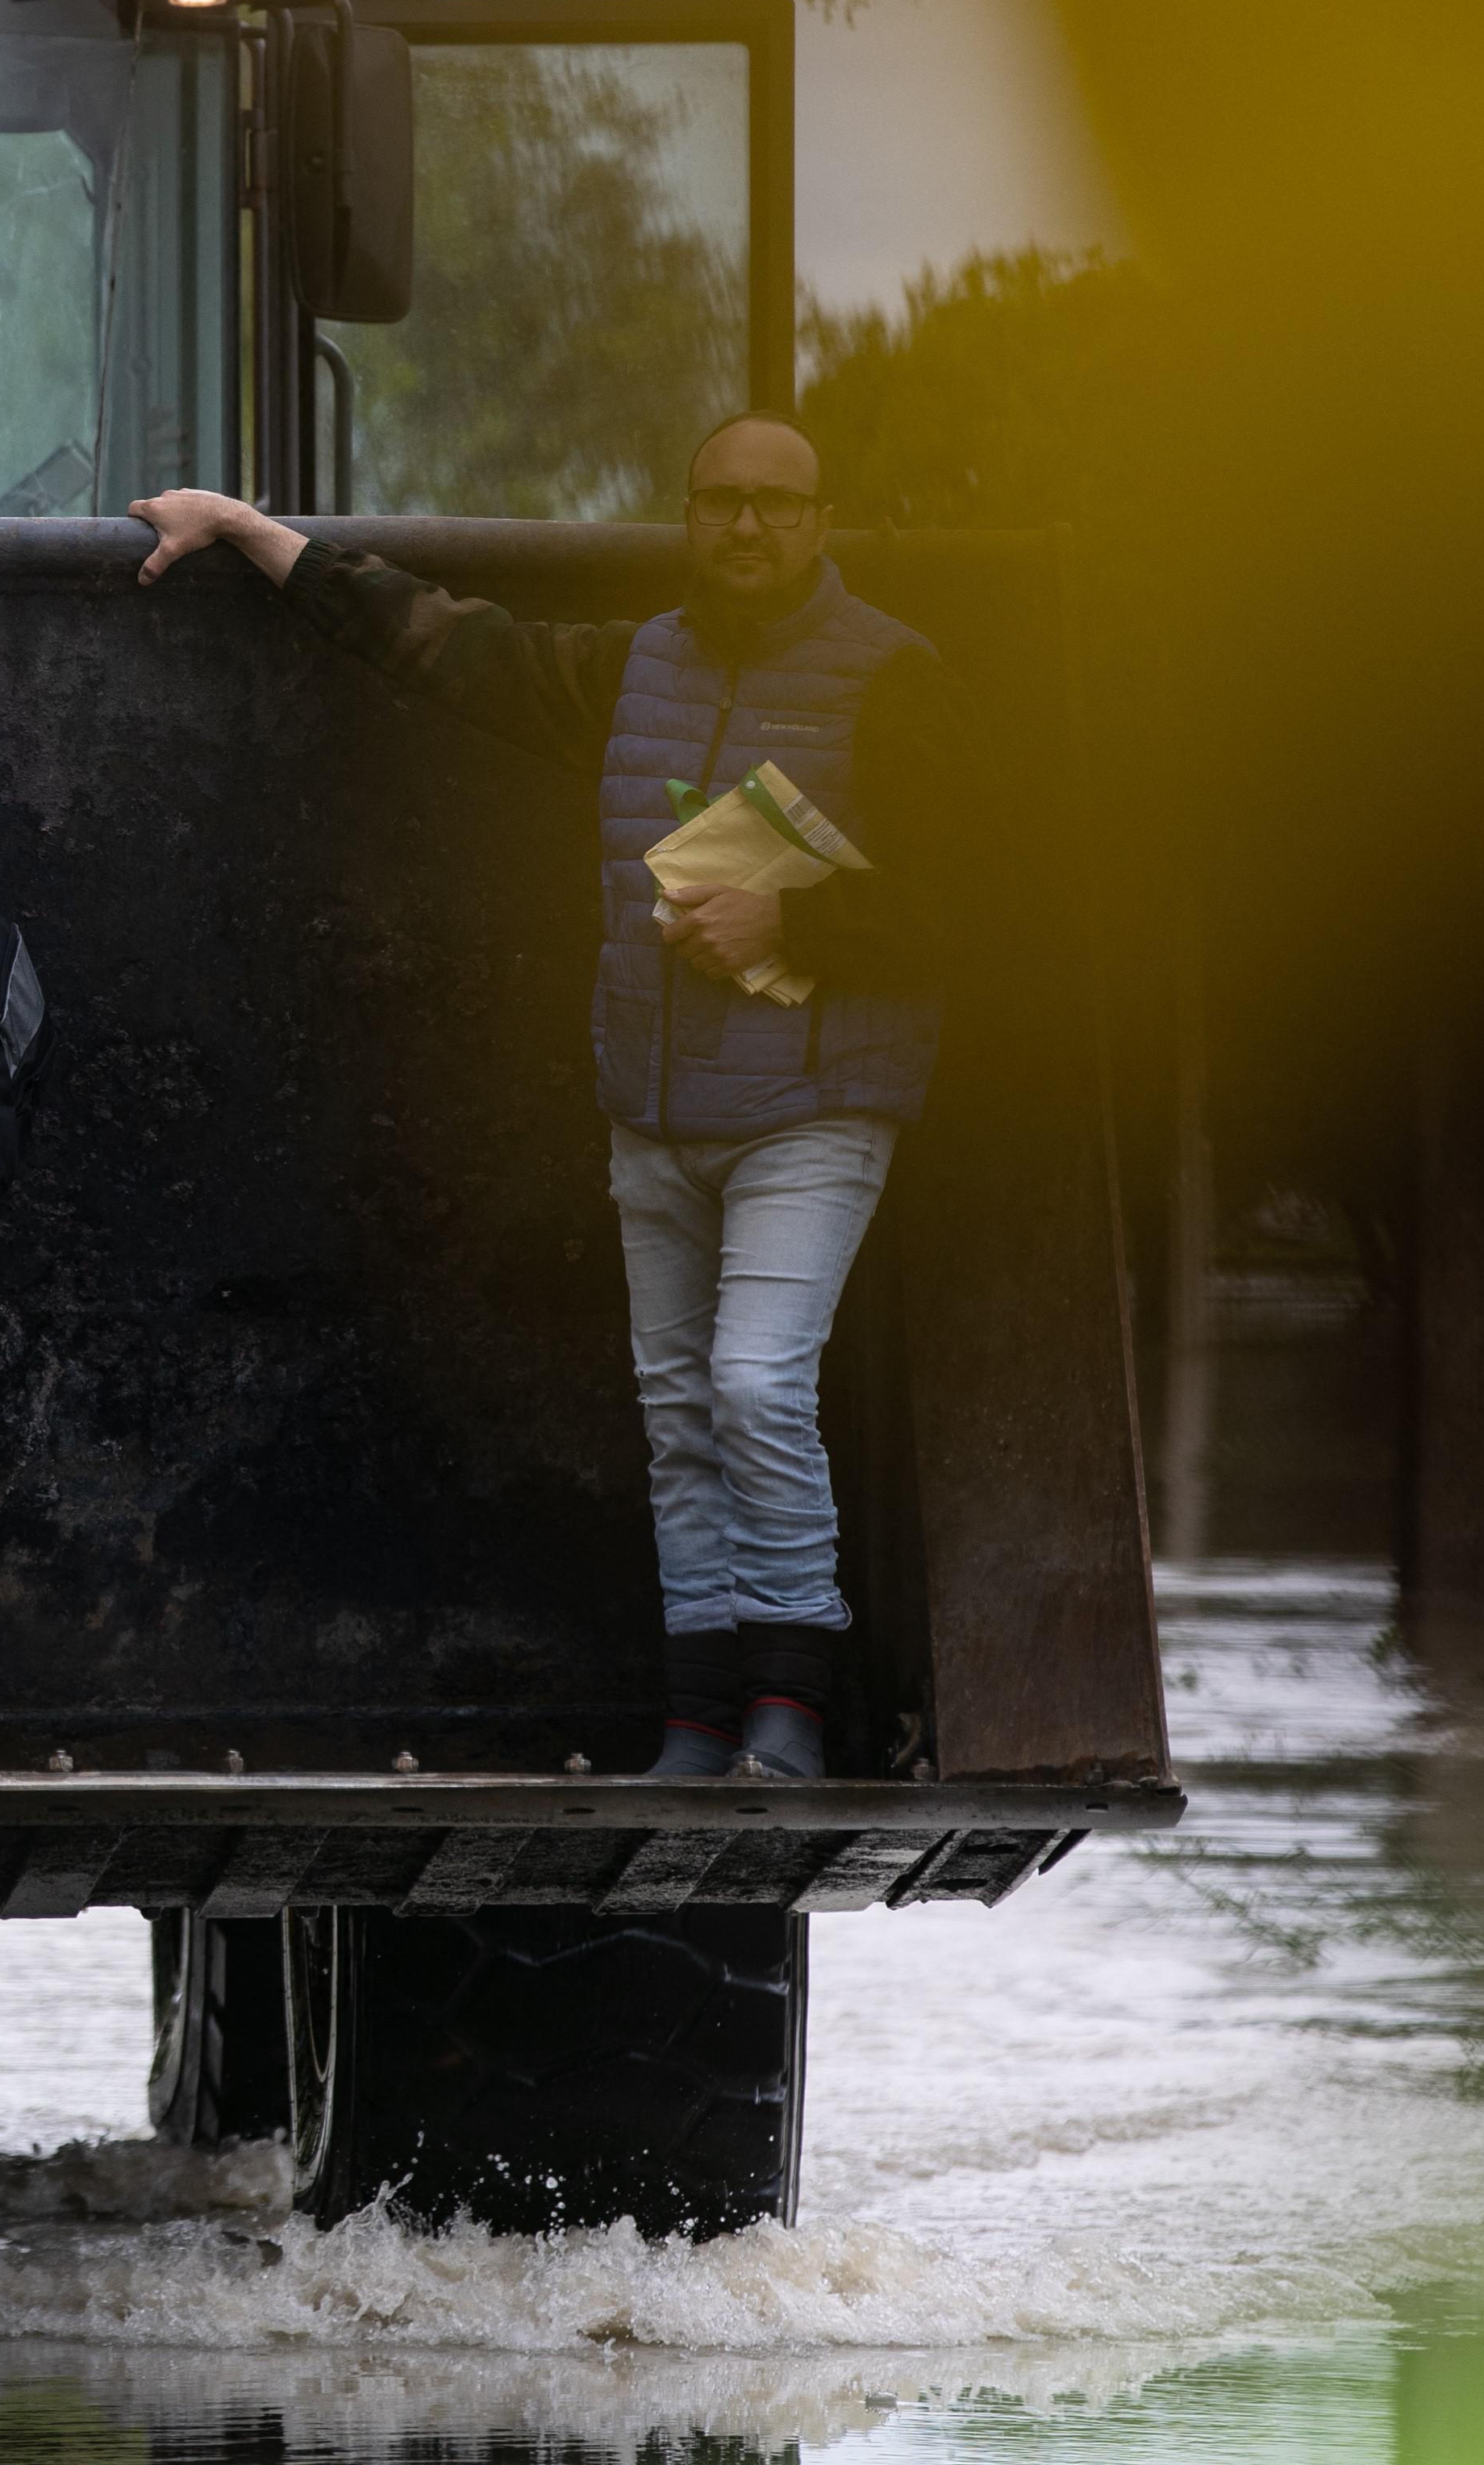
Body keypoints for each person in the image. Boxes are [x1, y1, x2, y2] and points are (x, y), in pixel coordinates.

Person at [130, 415, 965, 1780]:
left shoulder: (895, 677)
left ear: (821, 522)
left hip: (815, 1108)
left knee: (755, 1382)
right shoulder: (635, 665)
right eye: (721, 502)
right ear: (691, 515)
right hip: (652, 1102)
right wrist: (246, 530)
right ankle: (700, 1720)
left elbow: (972, 906)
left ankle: (794, 1709)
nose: (746, 527)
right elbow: (445, 643)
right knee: (678, 1408)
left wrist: (794, 925)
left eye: (776, 504)